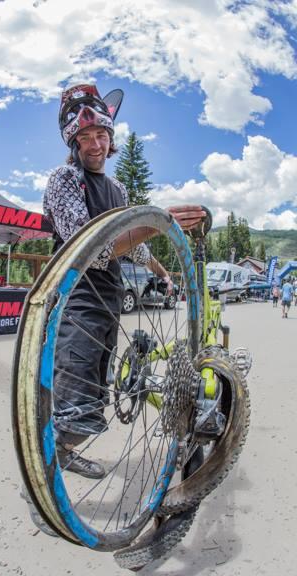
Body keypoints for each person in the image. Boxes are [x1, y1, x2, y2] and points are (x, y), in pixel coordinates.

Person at [41, 84, 205, 481]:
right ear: (72, 141)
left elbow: (132, 249)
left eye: (102, 135)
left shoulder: (117, 189)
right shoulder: (65, 179)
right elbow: (91, 250)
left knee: (94, 397)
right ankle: (42, 487)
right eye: (85, 137)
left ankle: (61, 454)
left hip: (108, 302)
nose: (95, 144)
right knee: (75, 407)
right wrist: (154, 224)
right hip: (75, 303)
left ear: (111, 138)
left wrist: (163, 273)